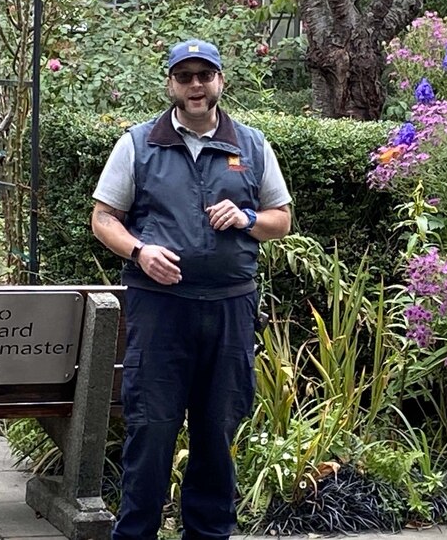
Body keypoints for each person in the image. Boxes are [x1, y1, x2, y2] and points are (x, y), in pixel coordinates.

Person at [90, 38, 292, 540]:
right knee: (152, 430)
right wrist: (140, 252)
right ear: (171, 84)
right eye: (186, 76)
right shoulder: (137, 143)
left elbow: (281, 220)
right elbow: (103, 219)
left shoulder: (252, 144)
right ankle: (135, 533)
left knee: (217, 434)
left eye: (205, 75)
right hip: (161, 311)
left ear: (221, 81)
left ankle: (209, 534)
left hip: (230, 309)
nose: (196, 85)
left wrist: (247, 218)